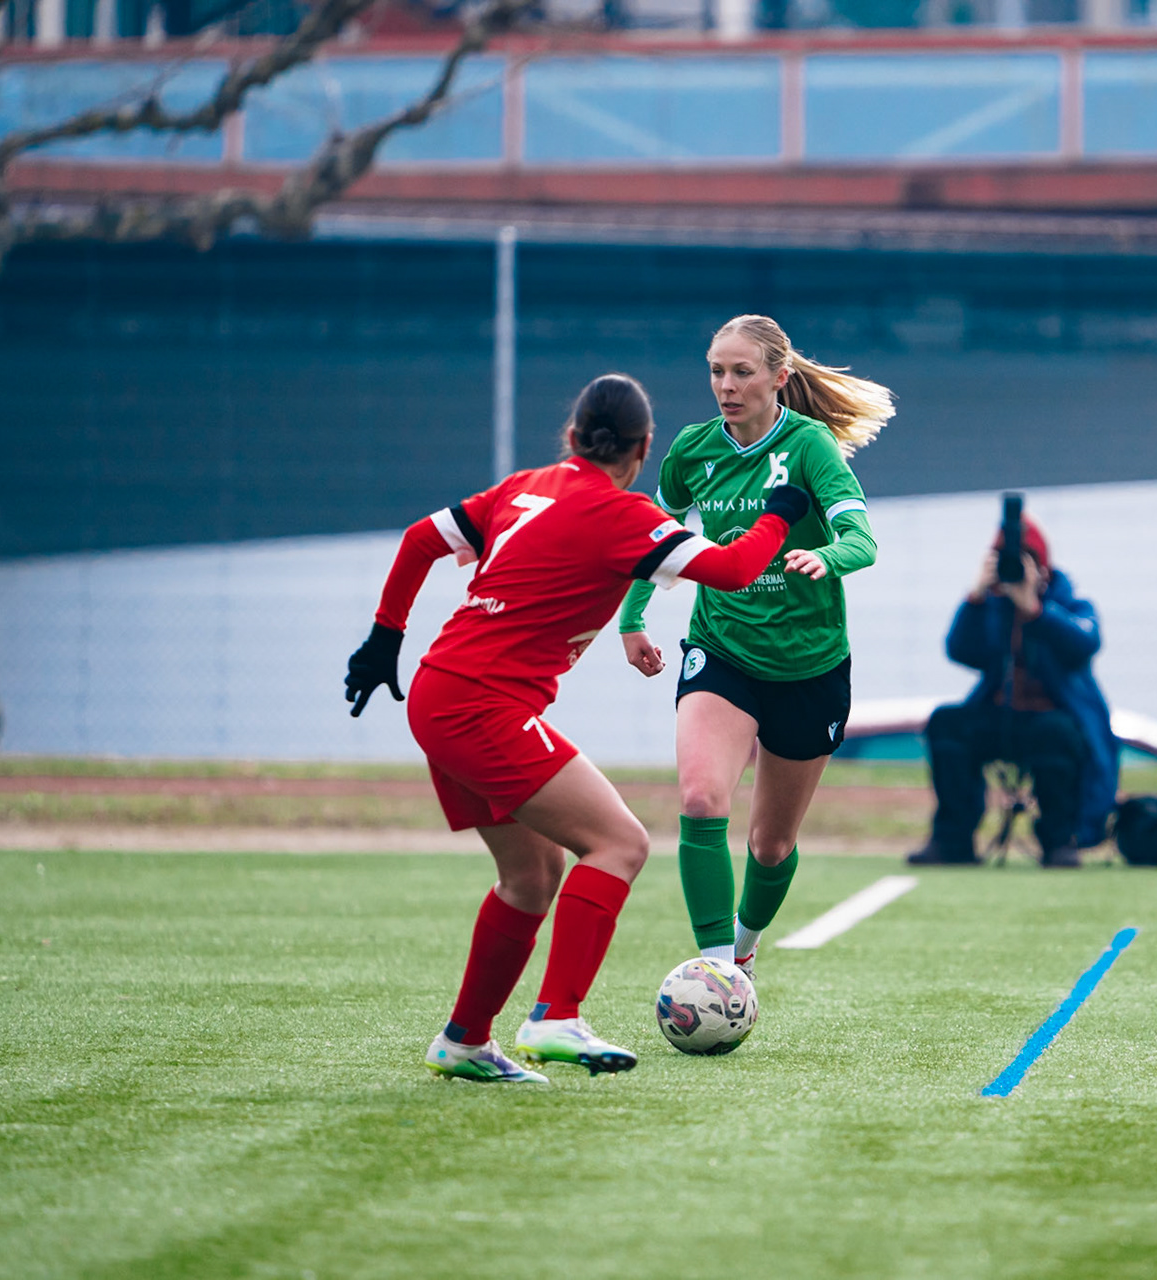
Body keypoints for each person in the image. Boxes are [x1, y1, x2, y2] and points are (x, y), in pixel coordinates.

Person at [344, 373, 811, 1082]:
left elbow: (419, 540)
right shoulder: (625, 517)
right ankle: (557, 1016)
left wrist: (385, 638)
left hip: (441, 691)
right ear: (645, 447)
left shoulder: (521, 487)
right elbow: (736, 569)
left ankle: (465, 1040)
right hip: (481, 703)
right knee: (619, 843)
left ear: (571, 436)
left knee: (531, 878)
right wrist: (782, 509)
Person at [618, 315, 890, 978]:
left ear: (779, 377)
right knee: (702, 799)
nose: (726, 385)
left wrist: (828, 556)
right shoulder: (693, 449)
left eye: (742, 371)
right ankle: (717, 970)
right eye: (717, 370)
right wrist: (631, 619)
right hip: (722, 646)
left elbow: (864, 540)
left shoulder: (810, 446)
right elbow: (657, 535)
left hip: (810, 662)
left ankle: (744, 938)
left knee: (770, 846)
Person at [907, 513, 1119, 869]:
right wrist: (976, 596)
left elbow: (1085, 642)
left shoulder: (1071, 604)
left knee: (1059, 734)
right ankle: (952, 839)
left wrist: (1035, 610)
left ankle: (1059, 841)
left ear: (1043, 567)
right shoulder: (991, 607)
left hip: (1049, 721)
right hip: (998, 715)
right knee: (947, 723)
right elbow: (960, 650)